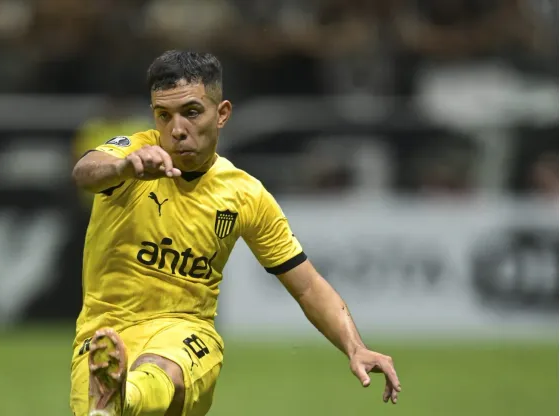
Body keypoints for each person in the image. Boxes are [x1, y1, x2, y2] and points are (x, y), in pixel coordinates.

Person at [70, 50, 402, 416]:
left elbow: (307, 285)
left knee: (165, 368)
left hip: (186, 333)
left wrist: (354, 346)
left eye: (191, 112)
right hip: (103, 340)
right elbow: (86, 170)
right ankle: (116, 396)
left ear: (222, 113)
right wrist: (124, 168)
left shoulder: (245, 195)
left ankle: (125, 397)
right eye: (164, 115)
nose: (176, 129)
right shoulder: (133, 155)